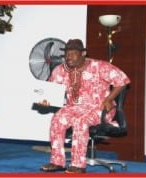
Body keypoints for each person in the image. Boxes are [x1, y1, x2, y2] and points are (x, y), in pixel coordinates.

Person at [39, 39, 130, 173]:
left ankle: (78, 165)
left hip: (99, 107)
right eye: (66, 54)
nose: (68, 57)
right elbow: (51, 91)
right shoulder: (59, 70)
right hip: (74, 107)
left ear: (83, 53)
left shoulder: (99, 66)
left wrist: (110, 98)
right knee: (57, 119)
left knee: (80, 121)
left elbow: (123, 80)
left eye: (72, 53)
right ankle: (57, 162)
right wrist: (46, 100)